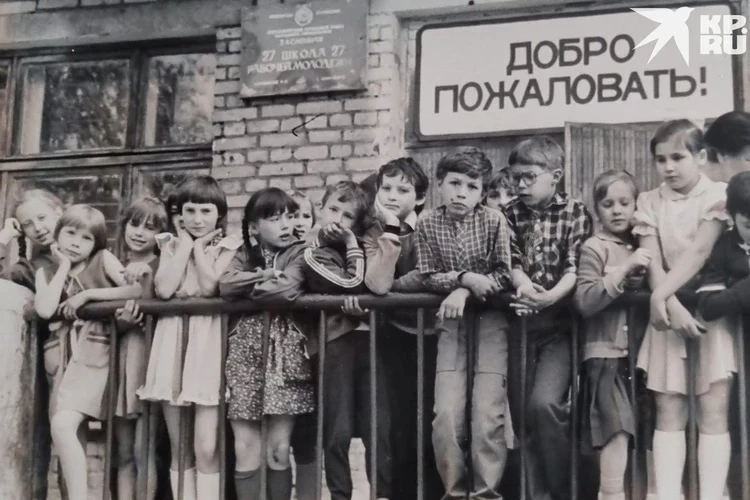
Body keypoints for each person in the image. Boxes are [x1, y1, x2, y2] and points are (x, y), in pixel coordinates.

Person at [633, 119, 731, 500]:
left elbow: (700, 251)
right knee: (669, 407)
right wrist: (668, 303)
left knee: (713, 408)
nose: (668, 167)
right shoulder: (649, 201)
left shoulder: (717, 195)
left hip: (709, 312)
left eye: (678, 157)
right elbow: (652, 260)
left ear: (701, 157)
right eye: (661, 160)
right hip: (669, 315)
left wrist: (661, 296)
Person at [414, 148, 512, 500]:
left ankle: (486, 493)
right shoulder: (427, 223)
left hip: (490, 322)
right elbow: (427, 275)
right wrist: (464, 278)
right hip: (451, 323)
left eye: (472, 187)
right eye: (454, 183)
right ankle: (454, 492)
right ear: (440, 184)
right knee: (446, 414)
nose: (461, 193)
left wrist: (465, 291)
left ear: (482, 192)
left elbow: (504, 274)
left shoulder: (494, 221)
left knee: (487, 413)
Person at [137, 176, 242, 500]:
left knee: (206, 446)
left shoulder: (229, 246)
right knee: (179, 445)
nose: (197, 219)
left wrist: (198, 248)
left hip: (207, 344)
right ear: (179, 215)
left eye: (206, 211)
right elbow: (164, 288)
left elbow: (210, 287)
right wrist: (184, 244)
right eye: (190, 211)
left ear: (219, 214)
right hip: (171, 343)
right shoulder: (169, 245)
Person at [504, 136, 593, 500]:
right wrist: (525, 287)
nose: (521, 185)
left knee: (544, 405)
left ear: (555, 176)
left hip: (559, 327)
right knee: (522, 416)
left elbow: (575, 266)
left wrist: (550, 298)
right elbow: (510, 260)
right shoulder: (508, 213)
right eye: (515, 178)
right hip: (522, 324)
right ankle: (535, 494)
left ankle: (564, 491)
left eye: (529, 177)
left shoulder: (575, 212)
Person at [34, 204, 142, 500]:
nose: (75, 243)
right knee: (68, 433)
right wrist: (63, 268)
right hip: (63, 359)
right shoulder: (46, 271)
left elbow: (135, 291)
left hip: (97, 354)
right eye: (70, 233)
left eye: (86, 238)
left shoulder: (103, 259)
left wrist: (87, 295)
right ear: (58, 233)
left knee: (63, 424)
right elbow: (44, 309)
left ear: (96, 244)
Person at [219, 188, 315, 500]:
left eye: (290, 216)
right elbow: (225, 285)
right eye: (275, 219)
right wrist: (269, 274)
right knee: (246, 448)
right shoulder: (242, 253)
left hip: (285, 356)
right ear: (254, 227)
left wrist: (252, 287)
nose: (286, 225)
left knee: (278, 449)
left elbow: (284, 292)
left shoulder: (302, 252)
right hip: (244, 355)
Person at [302, 180, 391, 500]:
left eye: (348, 216)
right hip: (335, 342)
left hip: (370, 341)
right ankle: (340, 496)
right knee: (336, 431)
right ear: (320, 210)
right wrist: (352, 243)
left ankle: (381, 494)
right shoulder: (313, 252)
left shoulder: (365, 246)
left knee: (378, 428)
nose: (338, 221)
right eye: (333, 210)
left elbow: (376, 285)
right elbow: (352, 285)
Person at [362, 157, 444, 500]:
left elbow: (430, 276)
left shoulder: (434, 226)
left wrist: (396, 290)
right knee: (396, 427)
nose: (392, 196)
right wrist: (392, 229)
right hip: (394, 336)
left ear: (420, 197)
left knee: (431, 426)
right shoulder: (373, 232)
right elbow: (378, 284)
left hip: (436, 338)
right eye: (386, 188)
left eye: (403, 189)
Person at [574, 171, 650, 500]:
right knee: (615, 431)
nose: (617, 210)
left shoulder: (644, 243)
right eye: (608, 204)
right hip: (604, 353)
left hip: (640, 354)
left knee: (641, 432)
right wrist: (623, 271)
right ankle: (610, 494)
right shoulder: (594, 247)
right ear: (597, 208)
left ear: (636, 205)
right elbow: (585, 301)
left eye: (624, 203)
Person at [113, 197, 168, 500]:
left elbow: (152, 305)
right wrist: (121, 323)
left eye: (150, 227)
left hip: (147, 361)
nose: (139, 232)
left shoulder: (162, 266)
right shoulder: (114, 266)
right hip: (120, 361)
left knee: (142, 449)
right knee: (123, 452)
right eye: (134, 224)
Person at [1, 189, 64, 291]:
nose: (37, 228)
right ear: (22, 230)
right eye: (27, 224)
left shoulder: (86, 252)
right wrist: (4, 237)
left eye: (42, 218)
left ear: (58, 213)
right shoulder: (28, 270)